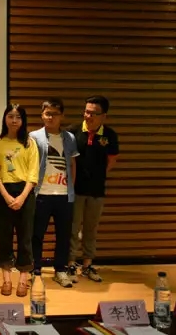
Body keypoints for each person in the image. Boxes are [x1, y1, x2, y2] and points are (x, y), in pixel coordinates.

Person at [67, 95, 119, 283]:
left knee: (91, 229)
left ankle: (87, 264)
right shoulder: (72, 132)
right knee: (72, 228)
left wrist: (98, 175)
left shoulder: (110, 135)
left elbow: (112, 159)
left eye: (93, 113)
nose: (88, 116)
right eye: (86, 112)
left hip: (97, 190)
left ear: (104, 116)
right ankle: (70, 263)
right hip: (75, 189)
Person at [29, 98, 79, 288]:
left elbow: (72, 164)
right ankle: (36, 270)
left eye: (55, 114)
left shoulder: (69, 138)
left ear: (62, 116)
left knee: (64, 235)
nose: (51, 117)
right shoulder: (33, 136)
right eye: (47, 113)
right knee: (37, 234)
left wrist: (70, 187)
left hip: (64, 195)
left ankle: (60, 270)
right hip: (41, 193)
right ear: (42, 115)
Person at [0, 104, 38, 297]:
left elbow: (33, 174)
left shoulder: (29, 143)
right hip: (4, 193)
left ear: (23, 120)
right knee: (5, 237)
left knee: (25, 238)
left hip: (25, 193)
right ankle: (7, 279)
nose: (14, 120)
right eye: (10, 116)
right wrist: (7, 197)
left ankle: (23, 279)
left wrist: (22, 197)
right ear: (5, 119)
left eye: (18, 117)